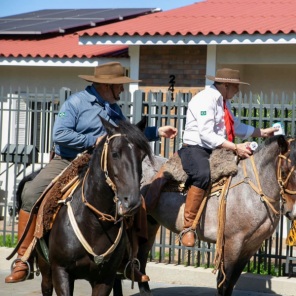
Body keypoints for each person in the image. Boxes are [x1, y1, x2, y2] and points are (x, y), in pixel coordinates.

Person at [5, 61, 177, 283]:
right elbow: (60, 135)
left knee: (137, 202)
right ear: (106, 86)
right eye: (119, 86)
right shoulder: (75, 103)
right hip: (68, 160)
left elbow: (125, 137)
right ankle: (24, 260)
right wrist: (92, 141)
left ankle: (129, 261)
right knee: (31, 193)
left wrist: (156, 132)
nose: (122, 90)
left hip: (101, 166)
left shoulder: (113, 108)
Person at [145, 68, 278, 247]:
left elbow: (235, 126)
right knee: (202, 174)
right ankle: (188, 227)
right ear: (226, 85)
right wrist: (235, 147)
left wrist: (262, 132)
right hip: (195, 149)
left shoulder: (223, 101)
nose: (237, 91)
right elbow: (207, 135)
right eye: (235, 87)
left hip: (216, 149)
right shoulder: (204, 99)